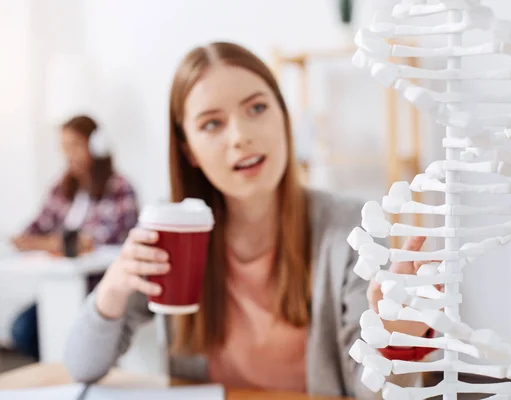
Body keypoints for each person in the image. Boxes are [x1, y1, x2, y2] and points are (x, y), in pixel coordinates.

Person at [64, 43, 434, 398]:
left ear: (283, 115)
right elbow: (81, 367)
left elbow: (374, 395)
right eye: (211, 124)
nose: (241, 136)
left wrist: (395, 343)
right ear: (187, 148)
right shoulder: (173, 236)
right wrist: (111, 290)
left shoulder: (354, 232)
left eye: (256, 108)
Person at [10, 115, 139, 360]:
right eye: (64, 147)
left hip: (98, 289)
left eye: (75, 146)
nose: (68, 154)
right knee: (22, 330)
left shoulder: (120, 188)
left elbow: (95, 240)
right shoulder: (62, 187)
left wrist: (54, 243)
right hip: (61, 287)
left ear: (96, 146)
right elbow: (31, 233)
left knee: (59, 334)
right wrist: (56, 242)